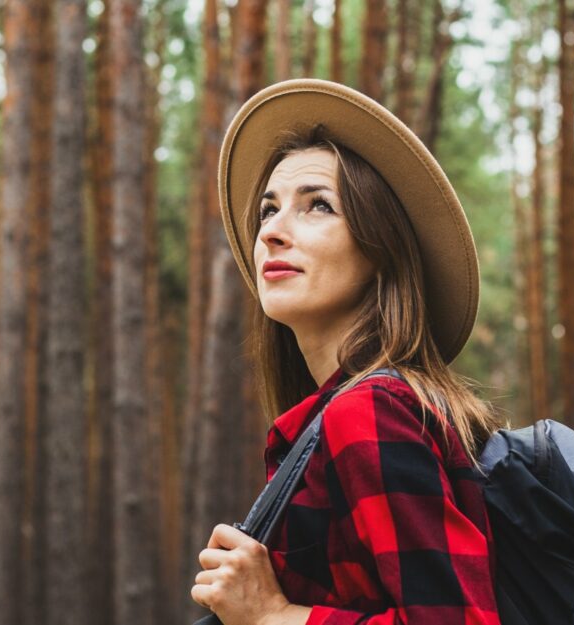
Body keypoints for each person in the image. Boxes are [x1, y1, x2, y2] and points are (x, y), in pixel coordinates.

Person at [191, 79, 503, 625]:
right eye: (268, 210)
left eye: (318, 206)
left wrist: (271, 615)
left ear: (381, 249)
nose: (272, 233)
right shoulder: (339, 418)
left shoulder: (371, 412)